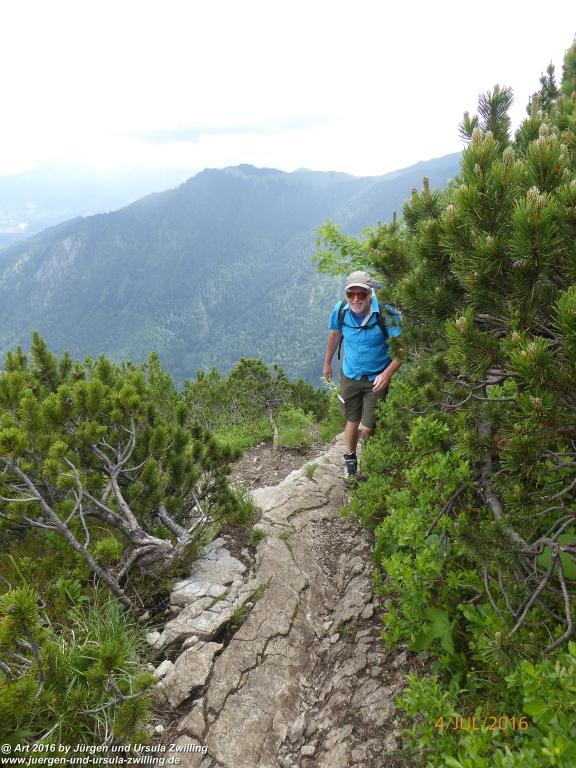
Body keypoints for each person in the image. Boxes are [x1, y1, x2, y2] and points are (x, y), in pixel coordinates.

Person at [323, 270, 402, 482]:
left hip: (376, 378)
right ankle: (350, 463)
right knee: (352, 420)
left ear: (370, 293)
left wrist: (386, 374)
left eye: (361, 294)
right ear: (347, 294)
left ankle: (371, 463)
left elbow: (402, 349)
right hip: (350, 375)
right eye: (351, 294)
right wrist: (327, 363)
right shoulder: (341, 311)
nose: (356, 299)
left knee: (368, 428)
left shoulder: (386, 315)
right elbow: (334, 334)